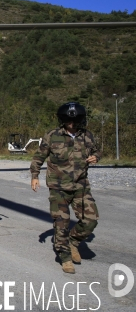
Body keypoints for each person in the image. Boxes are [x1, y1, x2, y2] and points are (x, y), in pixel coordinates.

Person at [30, 102, 101, 274]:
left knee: (91, 219)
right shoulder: (52, 135)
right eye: (69, 121)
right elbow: (39, 157)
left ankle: (73, 242)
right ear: (63, 120)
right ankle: (65, 257)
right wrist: (34, 176)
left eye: (75, 120)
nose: (72, 124)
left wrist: (95, 157)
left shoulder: (88, 136)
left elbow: (98, 151)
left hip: (81, 186)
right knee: (61, 223)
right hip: (58, 187)